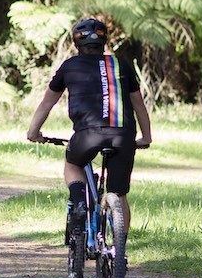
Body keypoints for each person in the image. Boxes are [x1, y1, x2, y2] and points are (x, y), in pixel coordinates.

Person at [24, 17, 153, 255]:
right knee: (119, 194)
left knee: (73, 165)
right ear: (104, 42)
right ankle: (119, 250)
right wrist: (145, 137)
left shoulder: (69, 66)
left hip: (87, 136)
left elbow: (47, 104)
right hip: (123, 137)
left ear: (76, 44)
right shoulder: (120, 65)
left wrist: (34, 132)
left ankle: (79, 201)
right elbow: (139, 106)